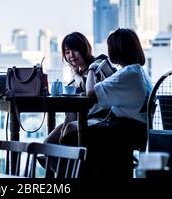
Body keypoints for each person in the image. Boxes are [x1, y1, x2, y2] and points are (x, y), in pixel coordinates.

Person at [61, 28, 152, 178]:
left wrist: (91, 70)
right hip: (136, 129)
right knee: (72, 130)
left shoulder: (127, 74)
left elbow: (91, 92)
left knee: (71, 136)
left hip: (125, 130)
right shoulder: (137, 72)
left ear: (117, 50)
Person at [44, 31, 111, 144]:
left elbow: (88, 88)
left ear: (84, 48)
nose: (71, 55)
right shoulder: (74, 81)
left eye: (75, 50)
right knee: (47, 143)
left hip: (102, 117)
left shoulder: (99, 63)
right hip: (82, 119)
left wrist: (75, 75)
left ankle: (63, 158)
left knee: (68, 131)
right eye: (67, 52)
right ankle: (57, 158)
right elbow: (71, 112)